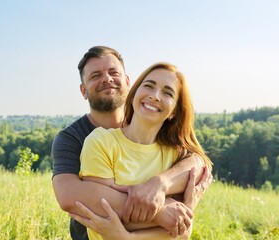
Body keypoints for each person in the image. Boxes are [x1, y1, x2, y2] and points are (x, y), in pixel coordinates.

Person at [52, 46, 212, 240]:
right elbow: (70, 195)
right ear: (83, 91)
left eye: (113, 72)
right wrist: (160, 211)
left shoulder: (158, 131)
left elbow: (198, 162)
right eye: (95, 75)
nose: (107, 79)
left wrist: (160, 184)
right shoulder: (77, 138)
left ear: (129, 83)